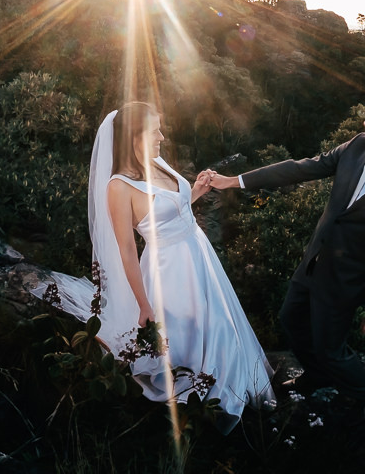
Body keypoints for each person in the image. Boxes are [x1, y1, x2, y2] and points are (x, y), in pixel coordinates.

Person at [32, 102, 274, 432]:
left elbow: (169, 213)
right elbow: (128, 251)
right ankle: (201, 401)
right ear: (133, 138)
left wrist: (197, 191)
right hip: (169, 270)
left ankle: (232, 385)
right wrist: (143, 303)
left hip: (199, 257)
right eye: (153, 131)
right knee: (192, 333)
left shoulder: (156, 162)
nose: (162, 136)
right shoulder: (118, 187)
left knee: (219, 323)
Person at [210, 81, 365, 425]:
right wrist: (234, 181)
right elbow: (302, 167)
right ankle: (316, 376)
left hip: (345, 283)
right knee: (290, 320)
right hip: (312, 263)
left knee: (331, 348)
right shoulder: (357, 146)